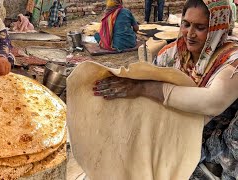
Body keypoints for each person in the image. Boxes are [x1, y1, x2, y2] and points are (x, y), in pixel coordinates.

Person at [93, 0, 238, 179]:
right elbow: (143, 94)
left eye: (200, 27)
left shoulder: (231, 59)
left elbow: (213, 102)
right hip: (174, 130)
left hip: (213, 134)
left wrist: (143, 88)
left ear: (217, 27)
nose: (190, 34)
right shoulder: (172, 54)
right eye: (186, 24)